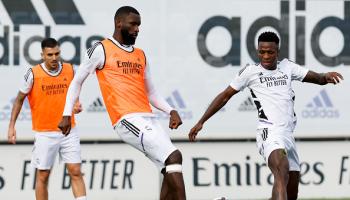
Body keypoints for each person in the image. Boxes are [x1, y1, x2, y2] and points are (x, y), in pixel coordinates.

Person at [188, 31, 343, 200]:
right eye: (262, 52)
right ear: (257, 51)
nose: (266, 56)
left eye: (270, 52)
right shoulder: (250, 72)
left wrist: (325, 76)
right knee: (281, 172)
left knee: (290, 194)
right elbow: (225, 96)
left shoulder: (287, 67)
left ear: (277, 51)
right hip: (269, 133)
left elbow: (317, 78)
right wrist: (201, 121)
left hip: (288, 135)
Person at [58, 6, 186, 200]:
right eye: (133, 24)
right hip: (126, 119)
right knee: (174, 156)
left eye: (139, 25)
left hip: (148, 118)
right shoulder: (101, 49)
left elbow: (150, 91)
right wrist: (67, 114)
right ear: (119, 23)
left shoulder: (140, 54)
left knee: (168, 167)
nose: (137, 29)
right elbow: (76, 82)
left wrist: (171, 110)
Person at [7, 38, 87, 200]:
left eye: (57, 53)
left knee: (75, 171)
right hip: (45, 133)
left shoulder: (70, 69)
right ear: (42, 55)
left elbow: (74, 93)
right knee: (43, 175)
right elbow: (19, 99)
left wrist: (76, 104)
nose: (54, 58)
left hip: (68, 130)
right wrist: (11, 126)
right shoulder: (33, 74)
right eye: (50, 54)